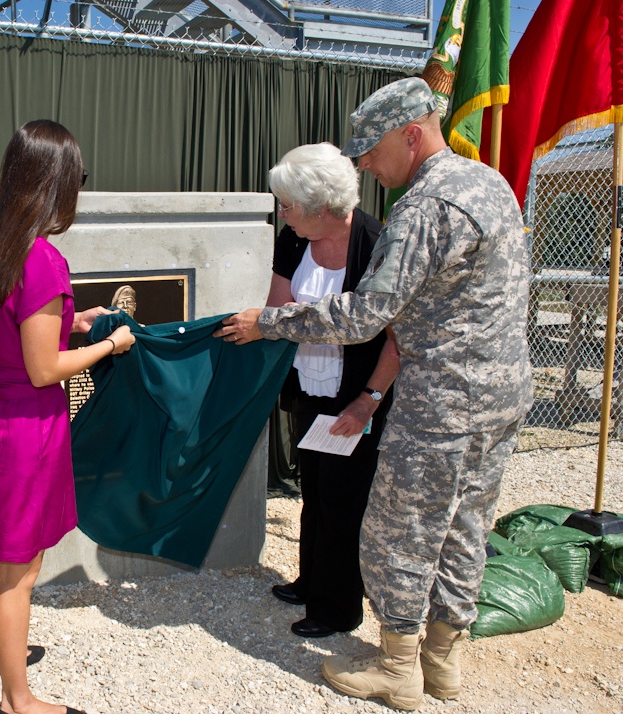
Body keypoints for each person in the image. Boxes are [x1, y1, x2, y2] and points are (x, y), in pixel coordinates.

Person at [215, 77, 532, 710]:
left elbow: (365, 316)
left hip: (440, 401)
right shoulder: (489, 184)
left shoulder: (423, 206)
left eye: (371, 149)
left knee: (399, 533)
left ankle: (398, 666)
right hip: (500, 395)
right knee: (464, 528)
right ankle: (443, 662)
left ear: (411, 135)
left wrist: (269, 323)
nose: (363, 163)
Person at [0, 119, 134, 714]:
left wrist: (72, 320)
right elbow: (43, 368)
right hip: (23, 432)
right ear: (58, 184)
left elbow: (16, 334)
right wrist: (110, 344)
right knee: (20, 572)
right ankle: (18, 700)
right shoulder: (42, 258)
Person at [264, 143, 399, 638]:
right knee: (315, 488)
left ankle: (338, 607)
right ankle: (311, 580)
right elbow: (277, 310)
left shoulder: (376, 243)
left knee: (345, 499)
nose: (283, 214)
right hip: (310, 385)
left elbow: (395, 339)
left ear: (321, 206)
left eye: (289, 205)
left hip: (358, 393)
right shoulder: (294, 237)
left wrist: (368, 402)